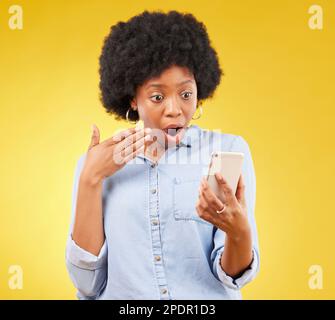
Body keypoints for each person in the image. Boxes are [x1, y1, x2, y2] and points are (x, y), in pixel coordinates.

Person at [65, 10, 260, 300]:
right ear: (133, 98)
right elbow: (87, 284)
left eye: (185, 94)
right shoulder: (96, 164)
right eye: (157, 97)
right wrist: (91, 178)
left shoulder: (225, 153)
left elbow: (232, 277)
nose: (174, 109)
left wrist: (239, 232)